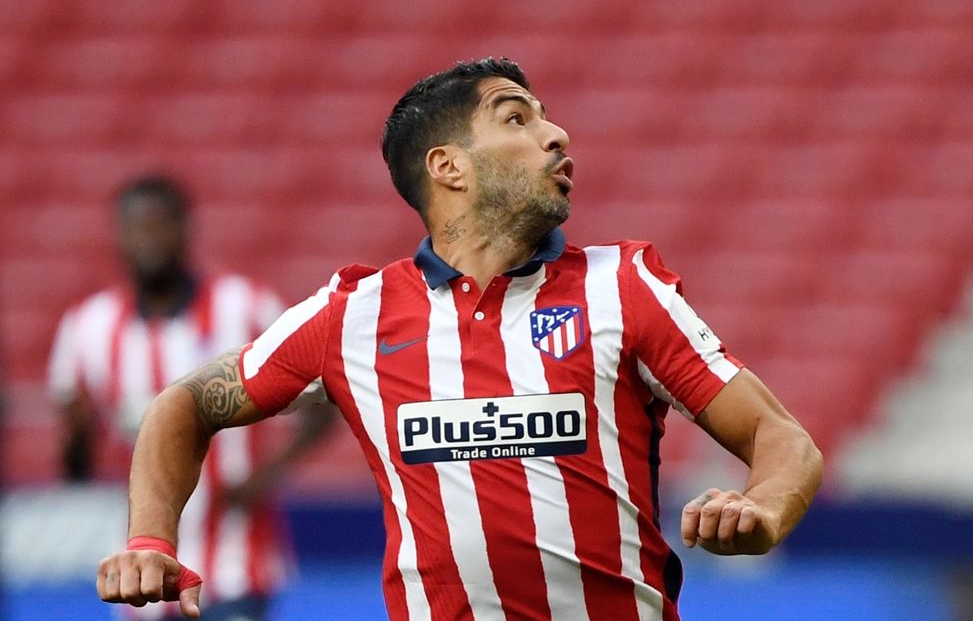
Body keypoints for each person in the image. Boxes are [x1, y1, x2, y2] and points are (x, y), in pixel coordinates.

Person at [96, 58, 823, 620]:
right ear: (448, 167)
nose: (556, 134)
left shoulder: (624, 287)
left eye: (547, 119)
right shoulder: (354, 313)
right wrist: (151, 540)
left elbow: (781, 439)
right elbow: (183, 406)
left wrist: (764, 511)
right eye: (517, 120)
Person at [49, 175, 331, 621]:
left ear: (184, 229)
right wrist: (76, 439)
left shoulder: (246, 305)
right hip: (140, 564)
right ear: (117, 235)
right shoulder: (87, 327)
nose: (147, 239)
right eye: (134, 227)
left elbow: (322, 397)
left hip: (236, 560)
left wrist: (269, 475)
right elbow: (75, 464)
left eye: (157, 225)